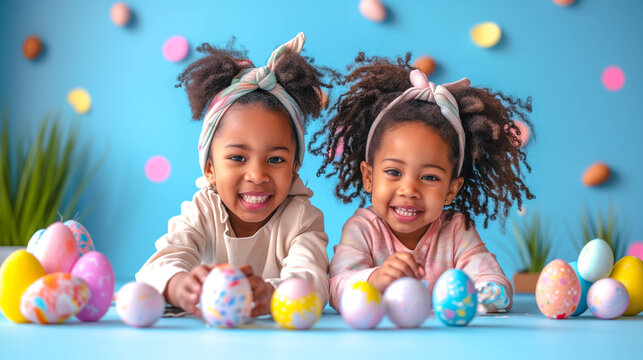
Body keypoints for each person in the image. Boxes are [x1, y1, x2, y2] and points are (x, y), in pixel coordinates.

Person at [309, 53, 535, 312]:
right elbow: (337, 287)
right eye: (394, 172)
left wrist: (486, 293)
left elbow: (490, 278)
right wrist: (374, 279)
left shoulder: (456, 230)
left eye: (429, 177)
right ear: (369, 177)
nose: (409, 190)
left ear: (451, 190)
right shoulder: (363, 229)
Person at [137, 33, 331, 318]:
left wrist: (272, 295)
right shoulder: (201, 212)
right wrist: (180, 286)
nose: (257, 174)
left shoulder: (302, 219)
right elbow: (158, 266)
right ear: (210, 169)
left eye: (276, 159)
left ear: (294, 168)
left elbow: (313, 281)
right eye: (238, 158)